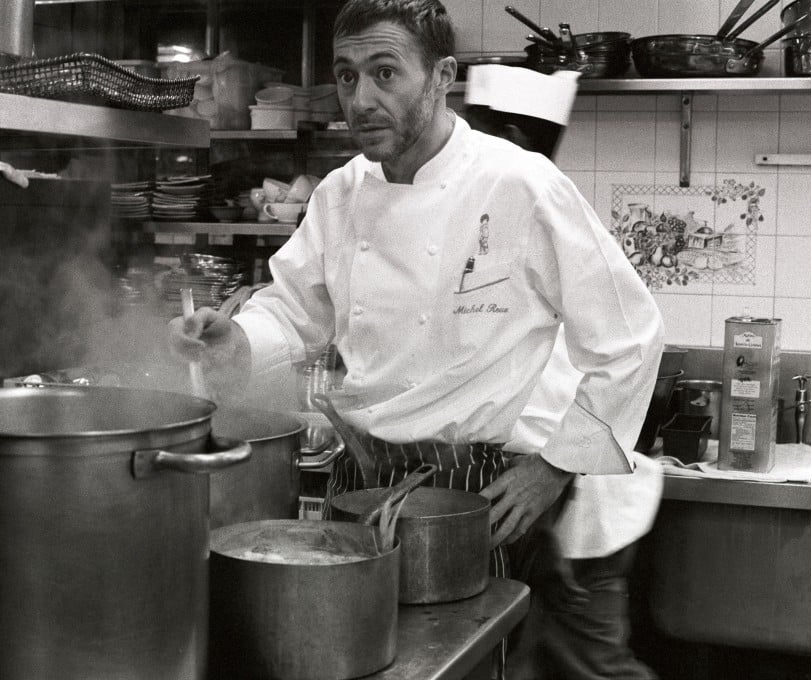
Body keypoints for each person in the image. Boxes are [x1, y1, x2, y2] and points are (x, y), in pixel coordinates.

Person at [169, 0, 662, 670]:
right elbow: (291, 310)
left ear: (440, 76)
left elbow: (630, 333)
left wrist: (553, 468)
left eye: (384, 73)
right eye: (346, 77)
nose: (361, 99)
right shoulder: (340, 196)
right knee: (354, 660)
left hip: (471, 495)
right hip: (361, 478)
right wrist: (238, 341)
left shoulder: (519, 183)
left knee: (458, 660)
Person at [465, 65, 664, 680]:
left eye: (477, 135)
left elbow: (627, 348)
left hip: (577, 503)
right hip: (539, 505)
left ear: (518, 145)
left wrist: (551, 486)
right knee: (520, 659)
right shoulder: (490, 217)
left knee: (594, 666)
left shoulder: (542, 217)